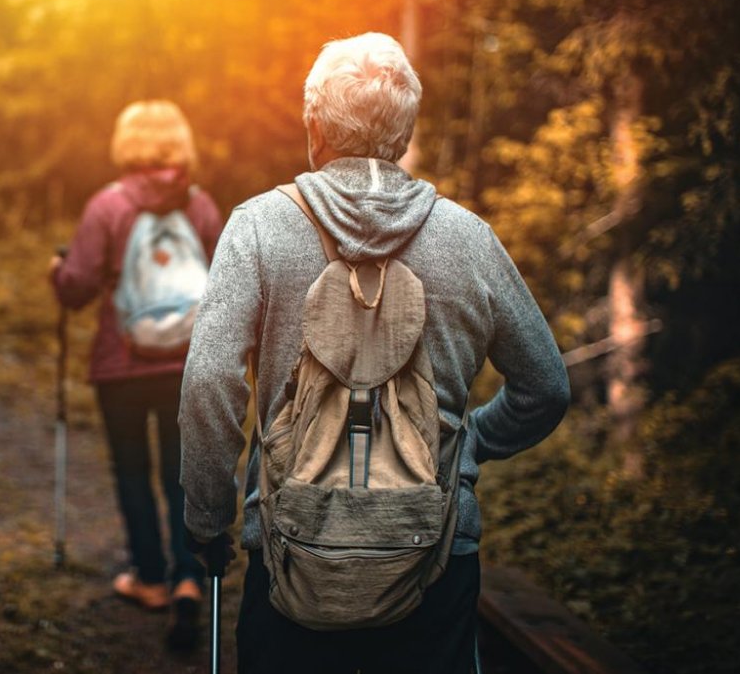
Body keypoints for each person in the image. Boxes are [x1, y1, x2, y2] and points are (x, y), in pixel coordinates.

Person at [179, 33, 570, 673]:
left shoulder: (258, 227)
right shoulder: (468, 239)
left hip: (288, 547)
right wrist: (469, 443)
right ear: (404, 134)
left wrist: (207, 517)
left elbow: (208, 380)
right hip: (434, 550)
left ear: (314, 126)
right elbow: (545, 387)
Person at [50, 99, 223, 649]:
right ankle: (189, 577)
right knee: (181, 473)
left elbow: (77, 288)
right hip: (186, 365)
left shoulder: (108, 206)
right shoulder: (201, 207)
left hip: (120, 364)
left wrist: (58, 272)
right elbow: (225, 283)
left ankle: (149, 578)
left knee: (132, 470)